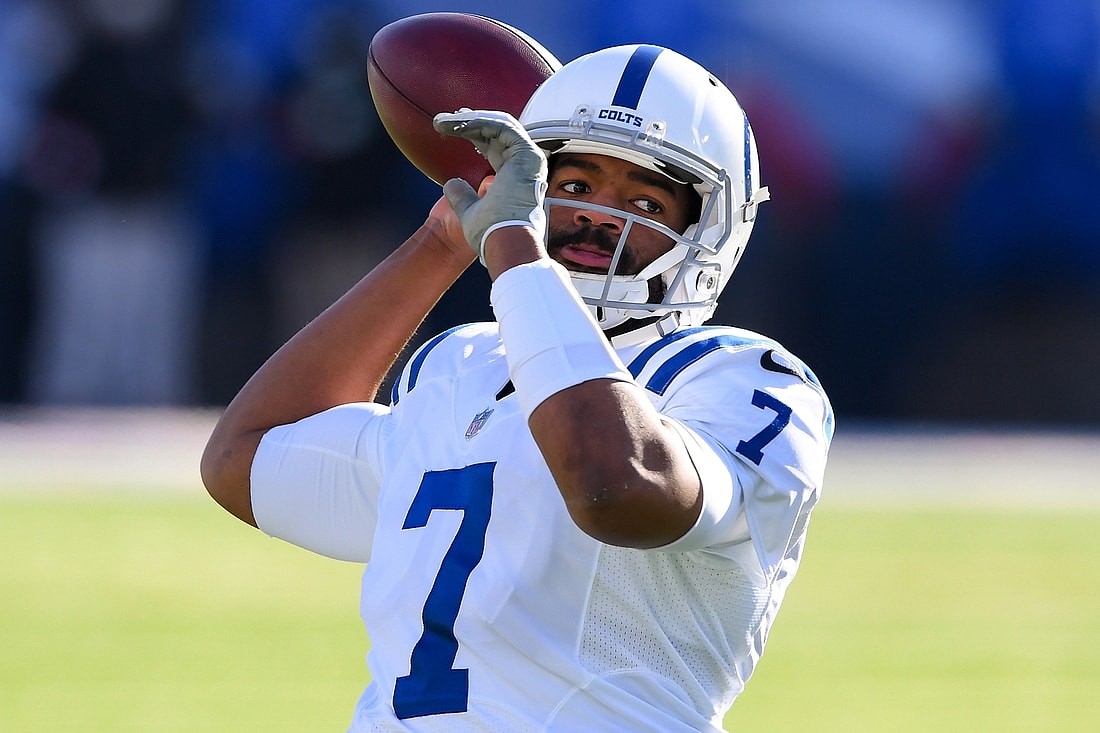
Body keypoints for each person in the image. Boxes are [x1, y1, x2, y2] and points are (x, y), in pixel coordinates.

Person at [201, 43, 833, 732]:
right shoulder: (461, 366)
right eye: (574, 184)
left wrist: (512, 248)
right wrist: (445, 237)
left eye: (645, 198)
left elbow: (614, 486)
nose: (598, 217)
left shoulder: (744, 379)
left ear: (711, 226)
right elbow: (245, 459)